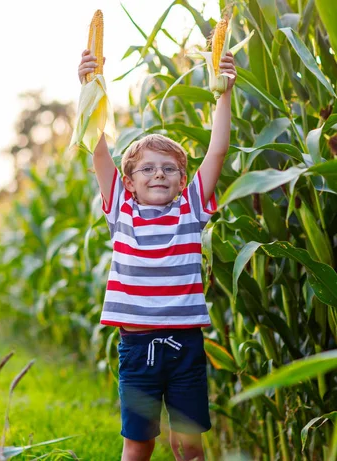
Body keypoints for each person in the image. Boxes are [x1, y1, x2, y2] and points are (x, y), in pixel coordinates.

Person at [78, 47, 237, 461]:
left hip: (186, 347)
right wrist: (91, 89)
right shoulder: (121, 211)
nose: (158, 175)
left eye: (168, 169)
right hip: (135, 348)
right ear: (128, 182)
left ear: (184, 180)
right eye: (147, 169)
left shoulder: (191, 209)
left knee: (189, 444)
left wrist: (224, 93)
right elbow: (98, 153)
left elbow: (218, 149)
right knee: (138, 443)